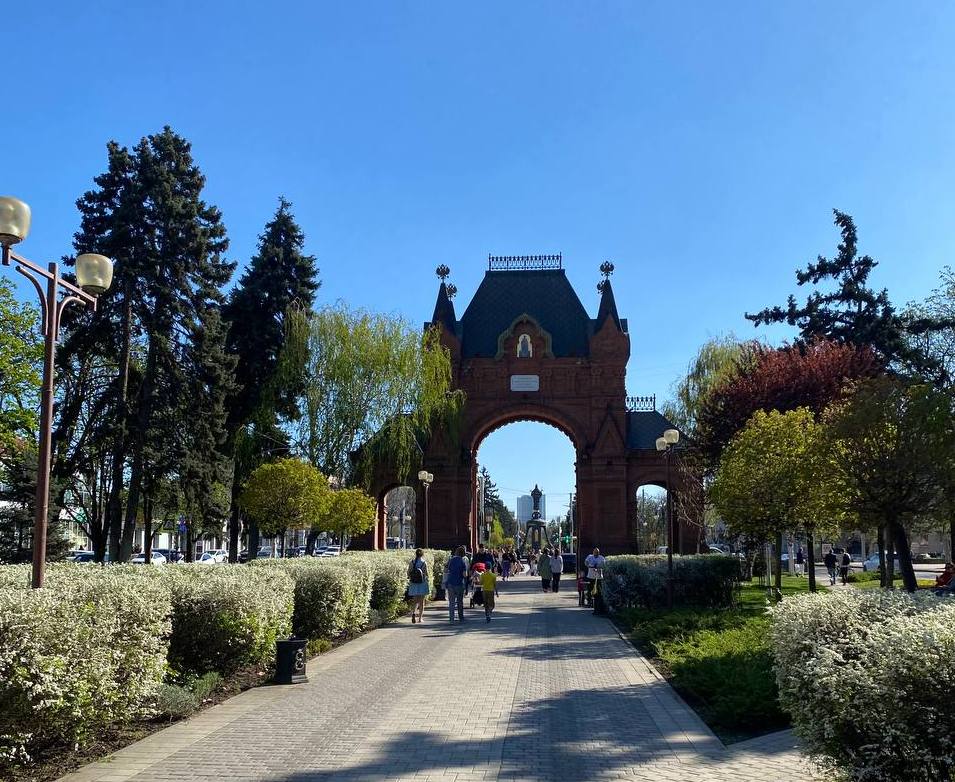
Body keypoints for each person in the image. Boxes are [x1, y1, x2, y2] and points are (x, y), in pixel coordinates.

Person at [445, 546, 469, 622]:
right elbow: (465, 574)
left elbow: (445, 570)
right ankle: (461, 618)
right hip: (459, 583)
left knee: (451, 602)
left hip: (450, 583)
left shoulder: (451, 560)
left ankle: (451, 619)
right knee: (459, 601)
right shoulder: (463, 561)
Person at [406, 548, 429, 623]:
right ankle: (420, 618)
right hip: (422, 583)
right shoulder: (424, 562)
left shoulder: (412, 562)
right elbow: (426, 574)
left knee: (415, 600)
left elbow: (408, 572)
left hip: (414, 583)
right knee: (421, 601)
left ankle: (413, 613)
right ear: (422, 554)